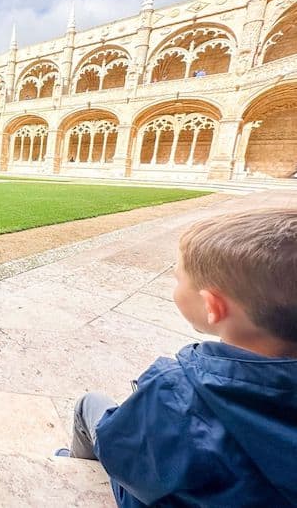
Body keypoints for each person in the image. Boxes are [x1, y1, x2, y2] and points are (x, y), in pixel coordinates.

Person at [57, 209, 297, 506]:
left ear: (213, 307)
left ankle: (72, 464)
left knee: (89, 405)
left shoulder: (178, 393)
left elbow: (127, 457)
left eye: (177, 278)